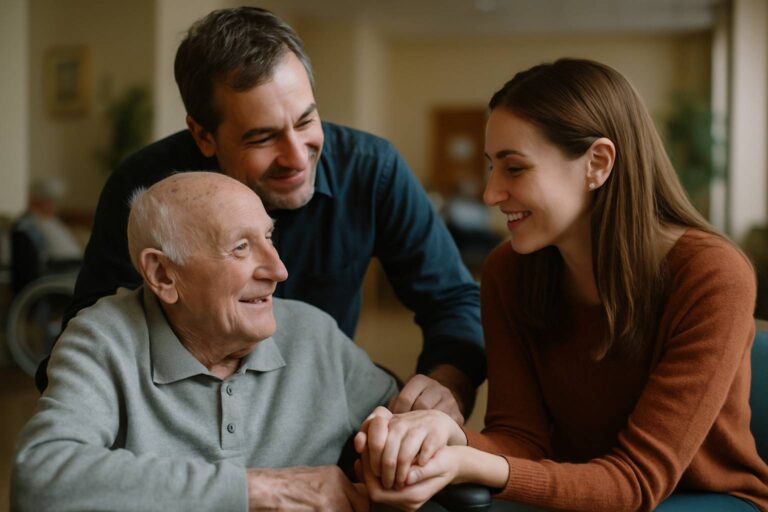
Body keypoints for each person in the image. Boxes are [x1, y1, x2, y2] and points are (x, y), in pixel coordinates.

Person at [353, 58, 768, 511]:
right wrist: (445, 437)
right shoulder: (508, 272)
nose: (491, 194)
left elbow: (637, 480)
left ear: (597, 163)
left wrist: (468, 460)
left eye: (515, 168)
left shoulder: (713, 275)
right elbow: (520, 439)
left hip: (705, 496)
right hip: (582, 489)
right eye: (492, 167)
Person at [38, 6, 484, 423]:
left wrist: (447, 384)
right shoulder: (143, 190)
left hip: (317, 407)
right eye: (263, 138)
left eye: (306, 121)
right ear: (203, 136)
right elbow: (89, 331)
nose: (297, 157)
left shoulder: (372, 171)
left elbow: (452, 299)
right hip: (182, 415)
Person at [12, 172, 399, 511]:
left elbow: (403, 420)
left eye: (269, 237)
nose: (279, 270)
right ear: (163, 275)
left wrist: (420, 434)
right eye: (241, 247)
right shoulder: (103, 339)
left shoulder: (314, 333)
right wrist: (263, 491)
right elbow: (39, 480)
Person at [11, 177, 82, 294]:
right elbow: (41, 260)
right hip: (56, 274)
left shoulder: (51, 221)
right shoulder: (28, 224)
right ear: (38, 200)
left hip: (71, 269)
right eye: (49, 201)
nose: (53, 205)